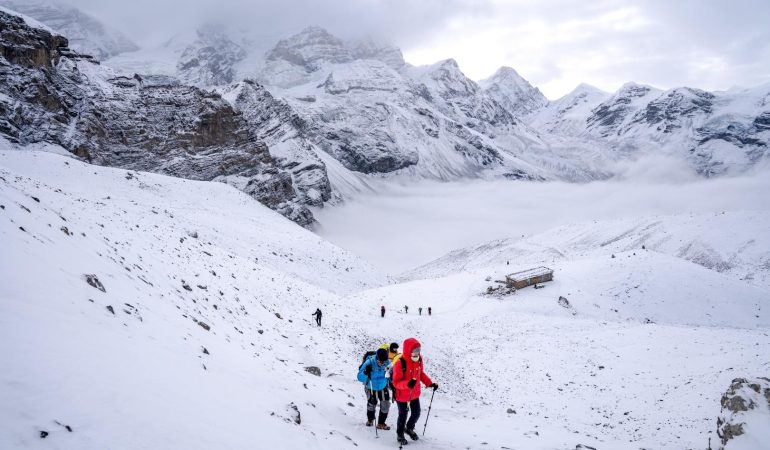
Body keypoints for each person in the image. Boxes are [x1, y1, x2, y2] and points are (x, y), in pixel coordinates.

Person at [392, 337, 438, 445]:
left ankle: (409, 428)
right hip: (402, 396)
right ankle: (400, 434)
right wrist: (408, 384)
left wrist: (429, 383)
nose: (417, 353)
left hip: (414, 394)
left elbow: (420, 374)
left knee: (416, 413)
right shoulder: (400, 363)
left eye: (419, 350)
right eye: (415, 351)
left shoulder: (419, 359)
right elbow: (396, 383)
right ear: (408, 350)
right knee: (403, 415)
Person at [357, 348, 392, 429]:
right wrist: (366, 372)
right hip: (370, 386)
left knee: (386, 404)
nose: (382, 363)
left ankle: (381, 423)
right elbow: (359, 377)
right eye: (380, 361)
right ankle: (370, 420)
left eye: (384, 361)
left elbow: (391, 374)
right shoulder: (369, 362)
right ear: (377, 358)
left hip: (383, 386)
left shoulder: (388, 363)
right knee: (372, 403)